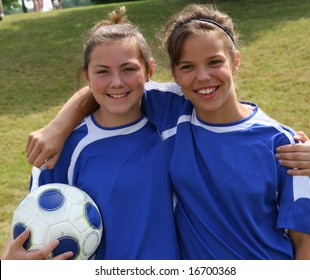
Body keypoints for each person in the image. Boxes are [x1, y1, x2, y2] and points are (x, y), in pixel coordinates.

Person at [24, 5, 310, 259]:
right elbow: (107, 88)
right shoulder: (172, 113)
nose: (203, 77)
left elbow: (307, 239)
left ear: (236, 61)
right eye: (188, 66)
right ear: (175, 75)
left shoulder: (283, 143)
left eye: (215, 62)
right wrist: (58, 126)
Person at [2, 6, 180, 260]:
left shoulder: (174, 123)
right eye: (102, 71)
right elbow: (31, 229)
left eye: (128, 69)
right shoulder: (64, 148)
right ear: (86, 75)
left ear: (149, 70)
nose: (116, 82)